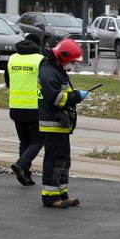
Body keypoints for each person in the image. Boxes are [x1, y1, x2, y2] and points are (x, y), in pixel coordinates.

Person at [38, 39, 89, 209]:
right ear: (63, 57)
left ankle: (61, 192)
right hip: (52, 123)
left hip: (59, 123)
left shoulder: (56, 69)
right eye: (73, 61)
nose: (73, 65)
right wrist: (76, 96)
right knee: (53, 160)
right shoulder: (49, 72)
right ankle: (50, 197)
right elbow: (57, 99)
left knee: (63, 160)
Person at [4, 39, 44, 186]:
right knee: (38, 140)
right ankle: (21, 164)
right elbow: (45, 81)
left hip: (15, 107)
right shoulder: (40, 60)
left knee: (24, 141)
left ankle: (25, 175)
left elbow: (8, 81)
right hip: (34, 107)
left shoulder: (12, 58)